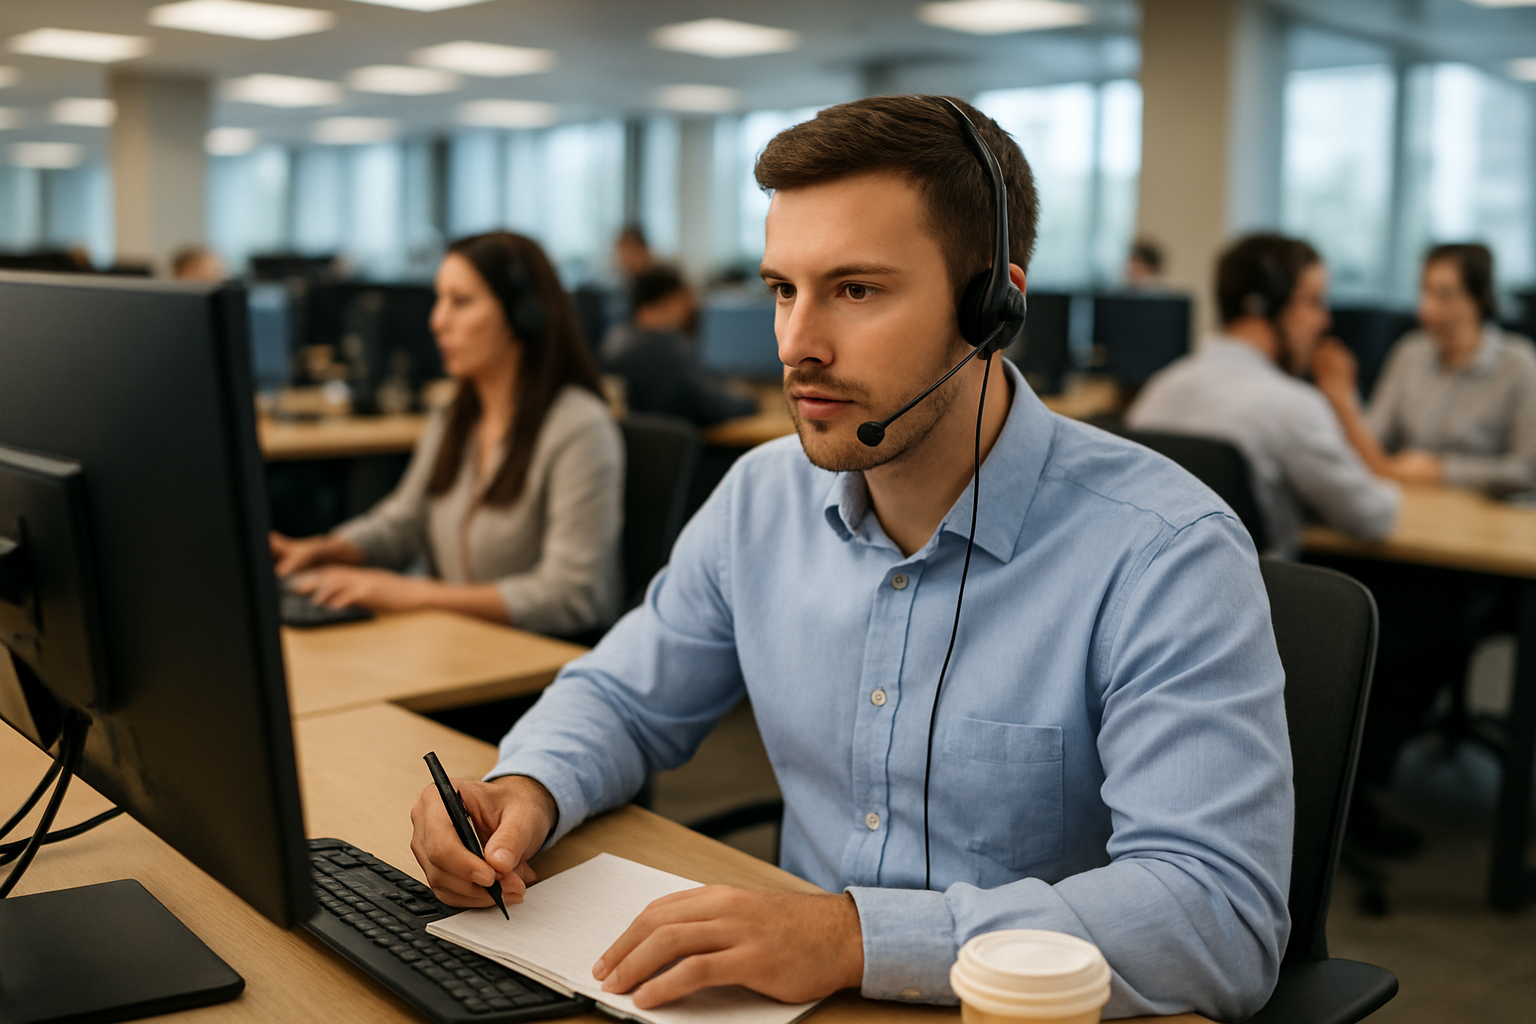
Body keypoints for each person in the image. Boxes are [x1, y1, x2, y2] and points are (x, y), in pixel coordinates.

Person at [410, 96, 1292, 1020]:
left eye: (856, 290)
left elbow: (1214, 913)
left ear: (992, 307)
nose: (796, 345)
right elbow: (626, 695)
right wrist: (527, 786)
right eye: (783, 289)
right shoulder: (761, 498)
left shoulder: (1163, 553)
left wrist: (853, 938)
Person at [271, 231, 623, 638]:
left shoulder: (579, 427)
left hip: (532, 669)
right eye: (440, 300)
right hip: (454, 647)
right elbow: (402, 522)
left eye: (461, 302)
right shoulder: (456, 415)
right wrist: (322, 550)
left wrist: (414, 594)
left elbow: (573, 595)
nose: (438, 320)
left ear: (524, 315)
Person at [1127, 233, 1399, 557]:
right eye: (1313, 302)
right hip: (1258, 602)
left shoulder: (1157, 392)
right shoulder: (1293, 406)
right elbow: (1373, 516)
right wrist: (1344, 400)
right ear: (1264, 308)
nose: (1325, 321)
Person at [1313, 242, 1536, 494]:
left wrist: (1442, 470)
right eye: (1425, 292)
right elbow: (1372, 437)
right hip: (1411, 505)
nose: (1426, 309)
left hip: (1485, 519)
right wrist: (1344, 400)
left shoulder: (1518, 364)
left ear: (1478, 298)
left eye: (1444, 295)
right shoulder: (1410, 352)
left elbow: (1527, 469)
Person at [599, 264, 758, 425]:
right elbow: (715, 405)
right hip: (683, 445)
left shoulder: (614, 340)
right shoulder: (669, 347)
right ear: (672, 300)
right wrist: (753, 401)